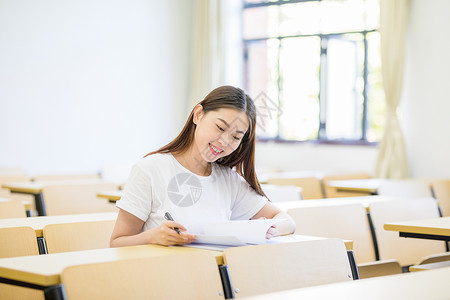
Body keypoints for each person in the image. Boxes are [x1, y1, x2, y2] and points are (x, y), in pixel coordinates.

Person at [110, 85, 295, 247]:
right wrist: (152, 237)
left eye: (236, 137)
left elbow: (287, 222)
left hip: (212, 278)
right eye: (220, 128)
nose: (224, 141)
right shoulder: (150, 169)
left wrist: (265, 229)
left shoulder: (228, 180)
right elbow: (117, 242)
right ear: (198, 115)